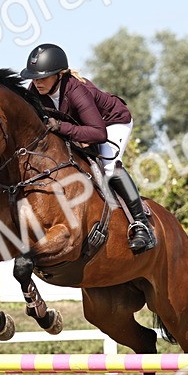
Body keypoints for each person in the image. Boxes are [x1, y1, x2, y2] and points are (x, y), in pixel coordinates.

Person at [20, 43, 156, 253]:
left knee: (110, 167)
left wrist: (62, 127)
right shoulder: (35, 91)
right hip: (82, 126)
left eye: (43, 78)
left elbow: (98, 134)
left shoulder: (77, 91)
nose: (37, 83)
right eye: (34, 78)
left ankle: (141, 226)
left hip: (111, 123)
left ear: (59, 74)